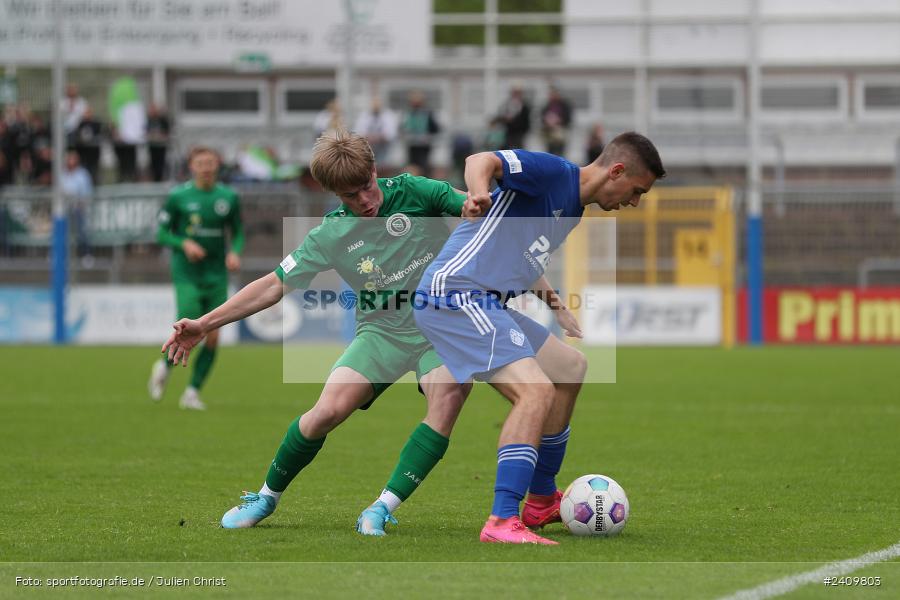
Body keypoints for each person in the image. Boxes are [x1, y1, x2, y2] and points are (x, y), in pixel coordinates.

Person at [161, 130, 472, 535]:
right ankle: (266, 497)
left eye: (366, 187)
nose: (364, 201)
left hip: (441, 329)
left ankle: (381, 507)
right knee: (325, 412)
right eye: (349, 196)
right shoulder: (331, 233)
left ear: (375, 170)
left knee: (447, 396)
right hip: (382, 333)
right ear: (331, 193)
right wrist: (204, 323)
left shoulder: (415, 190)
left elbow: (471, 204)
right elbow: (273, 285)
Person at [414, 132, 665, 544]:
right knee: (535, 391)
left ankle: (542, 499)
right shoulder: (553, 173)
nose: (634, 202)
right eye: (637, 191)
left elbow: (526, 258)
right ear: (616, 171)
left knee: (570, 367)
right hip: (454, 293)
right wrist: (478, 194)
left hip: (486, 301)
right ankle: (501, 521)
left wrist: (556, 305)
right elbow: (481, 159)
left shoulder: (572, 209)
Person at [148, 146, 244, 410]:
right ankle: (165, 366)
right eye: (200, 162)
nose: (206, 167)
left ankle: (191, 392)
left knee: (212, 336)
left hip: (216, 274)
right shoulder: (178, 196)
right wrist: (185, 244)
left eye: (210, 162)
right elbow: (162, 234)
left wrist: (234, 252)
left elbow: (237, 232)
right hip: (187, 274)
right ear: (191, 166)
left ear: (217, 165)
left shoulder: (228, 197)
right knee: (188, 328)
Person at [60, 150, 93, 258]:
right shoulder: (62, 174)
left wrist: (80, 204)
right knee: (61, 232)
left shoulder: (83, 174)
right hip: (64, 208)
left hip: (78, 208)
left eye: (72, 158)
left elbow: (86, 193)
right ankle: (59, 254)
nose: (70, 161)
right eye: (69, 158)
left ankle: (86, 254)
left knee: (81, 231)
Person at [401, 91, 440, 175]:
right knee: (412, 165)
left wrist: (428, 136)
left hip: (424, 144)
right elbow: (402, 127)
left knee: (424, 165)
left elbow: (435, 128)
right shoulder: (408, 113)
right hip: (412, 144)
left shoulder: (428, 113)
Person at [353, 98, 399, 165]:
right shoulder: (364, 115)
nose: (376, 107)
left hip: (384, 150)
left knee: (383, 166)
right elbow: (358, 133)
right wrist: (370, 137)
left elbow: (391, 134)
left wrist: (378, 137)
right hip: (368, 149)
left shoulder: (388, 115)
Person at [73, 106, 103, 184]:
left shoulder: (96, 124)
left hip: (93, 154)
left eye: (89, 112)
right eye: (86, 113)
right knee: (84, 173)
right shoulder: (81, 124)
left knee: (94, 173)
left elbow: (99, 137)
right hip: (84, 155)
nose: (87, 114)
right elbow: (78, 137)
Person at [540, 87, 572, 157]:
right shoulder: (547, 105)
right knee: (550, 150)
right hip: (549, 130)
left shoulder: (564, 105)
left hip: (560, 129)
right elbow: (542, 116)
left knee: (560, 149)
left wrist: (559, 120)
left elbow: (568, 117)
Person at [498, 85, 531, 149]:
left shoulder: (524, 105)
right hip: (509, 131)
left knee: (519, 149)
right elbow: (502, 115)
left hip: (520, 132)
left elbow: (526, 118)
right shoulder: (507, 104)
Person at [146, 103, 171, 182]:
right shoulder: (148, 120)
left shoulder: (163, 120)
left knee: (161, 163)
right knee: (153, 163)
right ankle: (155, 179)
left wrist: (161, 136)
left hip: (161, 146)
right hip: (152, 146)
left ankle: (160, 179)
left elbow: (167, 132)